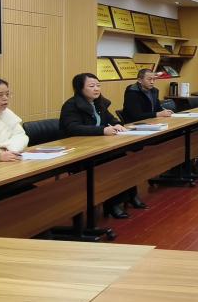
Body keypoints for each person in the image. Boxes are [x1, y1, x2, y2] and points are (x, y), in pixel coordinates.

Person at [59, 72, 143, 219]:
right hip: (80, 151)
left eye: (98, 85)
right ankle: (112, 204)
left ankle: (131, 196)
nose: (96, 89)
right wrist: (102, 130)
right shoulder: (71, 105)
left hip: (98, 147)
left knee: (125, 159)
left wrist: (117, 124)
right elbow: (73, 128)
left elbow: (111, 119)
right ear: (80, 88)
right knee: (112, 164)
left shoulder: (99, 103)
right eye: (92, 86)